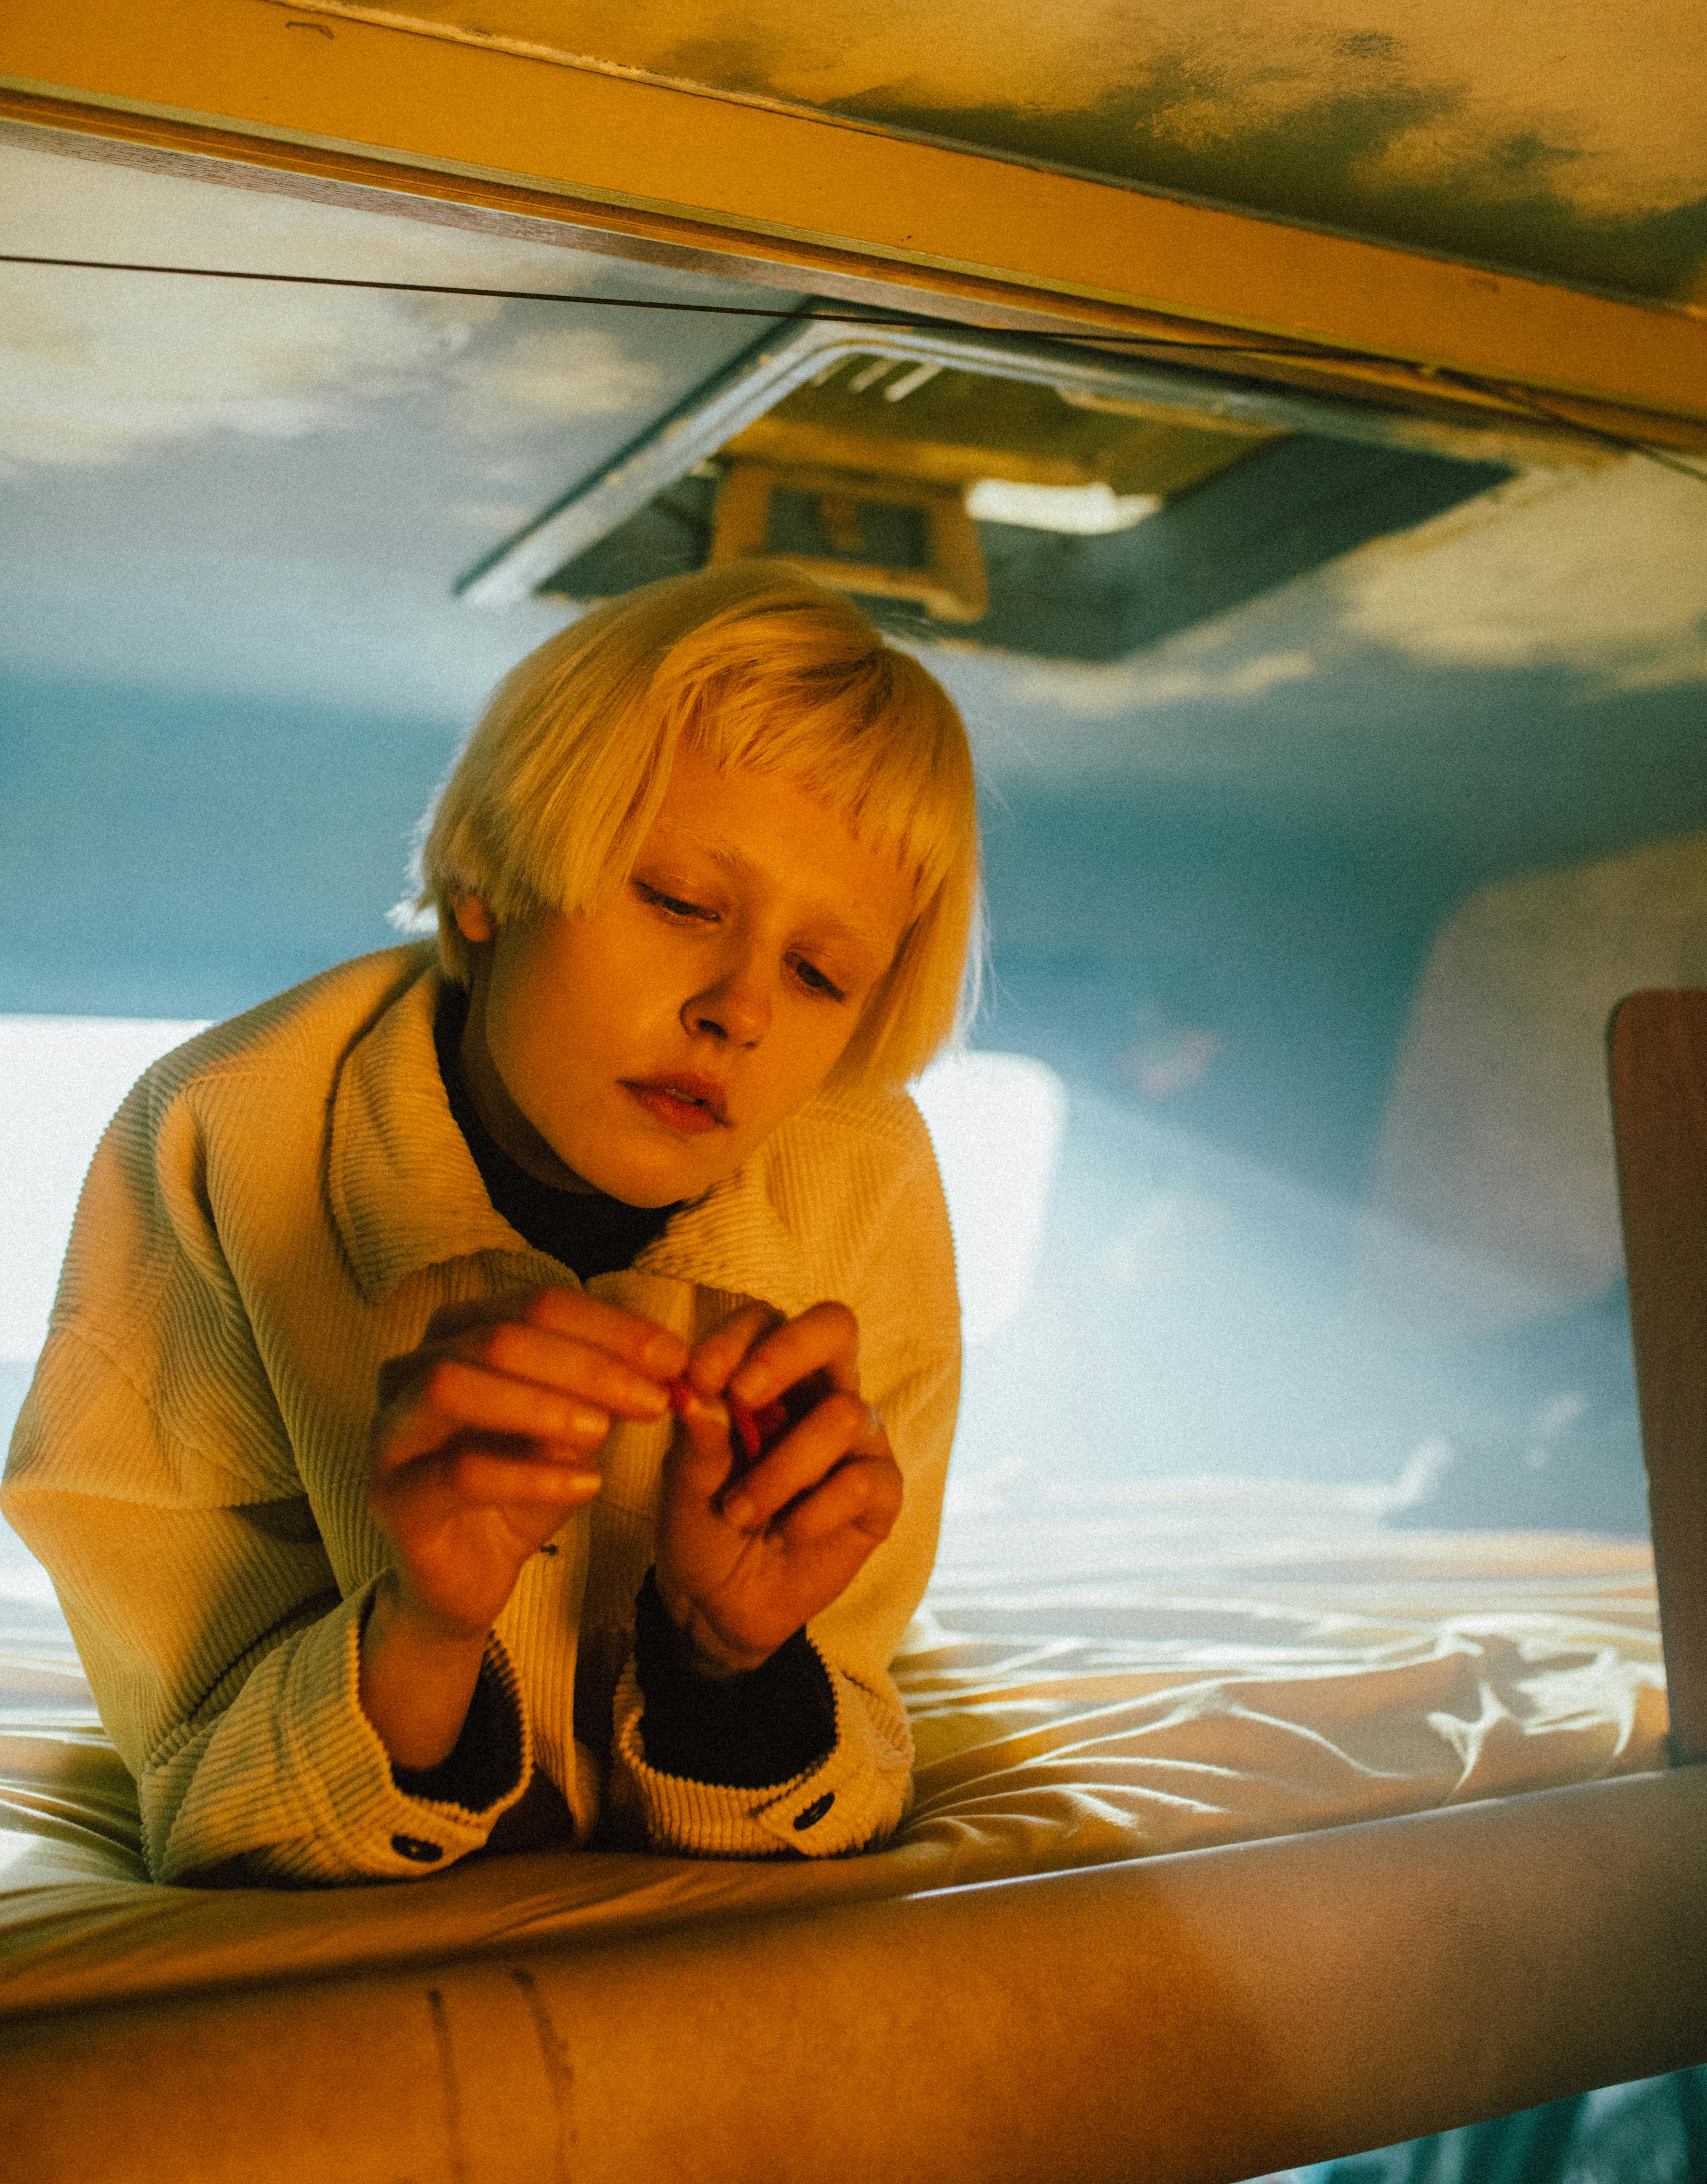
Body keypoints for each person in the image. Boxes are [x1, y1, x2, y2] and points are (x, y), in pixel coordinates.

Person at [2, 564, 980, 1885]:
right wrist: (424, 1627)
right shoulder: (218, 1136)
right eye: (684, 903)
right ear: (487, 879)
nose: (739, 1011)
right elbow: (209, 1797)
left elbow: (838, 1750)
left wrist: (729, 1658)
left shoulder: (866, 1174)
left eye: (819, 976)